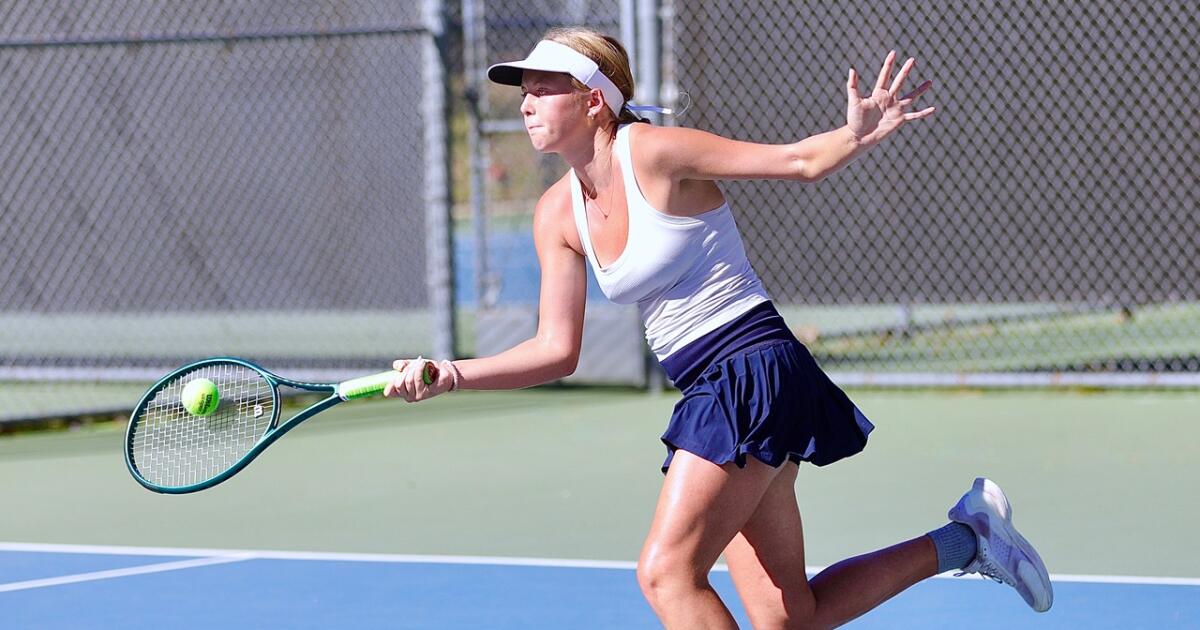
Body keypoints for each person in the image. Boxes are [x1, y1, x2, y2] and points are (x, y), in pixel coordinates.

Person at [385, 26, 1052, 629]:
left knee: (666, 574)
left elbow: (797, 162)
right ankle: (969, 539)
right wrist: (452, 374)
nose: (525, 101)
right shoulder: (557, 214)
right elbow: (557, 349)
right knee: (791, 618)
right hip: (716, 389)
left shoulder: (652, 152)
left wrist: (854, 132)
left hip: (752, 369)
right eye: (522, 91)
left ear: (594, 100)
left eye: (543, 88)